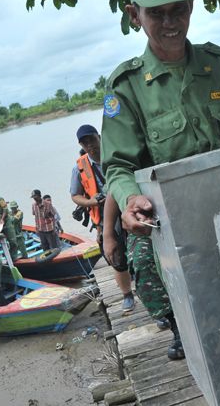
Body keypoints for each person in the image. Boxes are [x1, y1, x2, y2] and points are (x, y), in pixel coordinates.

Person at [101, 0, 220, 360]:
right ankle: (180, 328)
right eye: (156, 13)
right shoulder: (126, 87)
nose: (170, 22)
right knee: (144, 263)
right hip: (168, 216)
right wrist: (129, 200)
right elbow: (118, 166)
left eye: (179, 10)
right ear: (134, 15)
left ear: (191, 7)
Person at [70, 124, 134, 311]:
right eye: (85, 143)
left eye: (92, 139)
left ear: (99, 137)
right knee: (115, 257)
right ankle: (127, 294)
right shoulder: (79, 168)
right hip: (104, 217)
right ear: (81, 145)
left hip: (127, 205)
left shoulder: (115, 154)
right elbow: (75, 196)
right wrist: (92, 202)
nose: (90, 145)